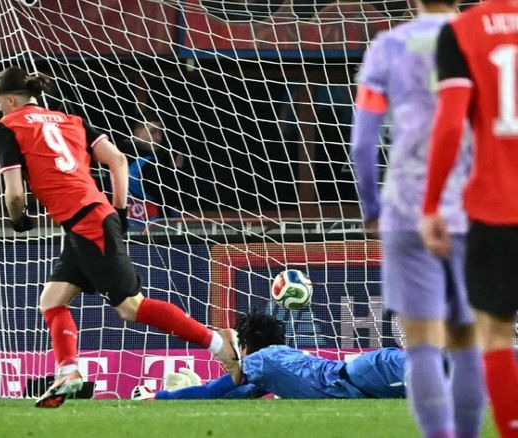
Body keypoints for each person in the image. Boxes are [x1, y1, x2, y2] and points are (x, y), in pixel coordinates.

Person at [0, 67, 240, 408]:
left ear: (10, 100)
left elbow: (15, 194)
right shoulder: (72, 120)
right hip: (89, 218)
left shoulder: (8, 126)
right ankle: (68, 372)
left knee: (131, 307)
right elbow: (118, 160)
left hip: (86, 222)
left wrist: (18, 219)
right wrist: (119, 210)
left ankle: (220, 345)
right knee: (52, 300)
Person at [350, 1, 486, 437]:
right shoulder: (480, 40)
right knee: (467, 340)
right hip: (471, 208)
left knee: (423, 342)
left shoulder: (388, 46)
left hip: (407, 209)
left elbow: (363, 144)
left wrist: (372, 208)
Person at [421, 1, 518, 435]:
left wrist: (431, 205)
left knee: (495, 331)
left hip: (496, 206)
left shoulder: (462, 31)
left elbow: (450, 123)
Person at [132, 312, 406, 400]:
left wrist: (158, 397)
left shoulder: (260, 360)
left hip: (371, 372)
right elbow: (231, 395)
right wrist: (191, 392)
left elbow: (212, 392)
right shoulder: (269, 367)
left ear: (245, 346)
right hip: (367, 379)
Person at [122, 118, 183, 226]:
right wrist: (177, 169)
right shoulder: (148, 164)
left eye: (160, 133)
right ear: (137, 133)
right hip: (153, 228)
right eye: (153, 132)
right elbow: (172, 197)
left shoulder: (118, 158)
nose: (158, 138)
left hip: (126, 225)